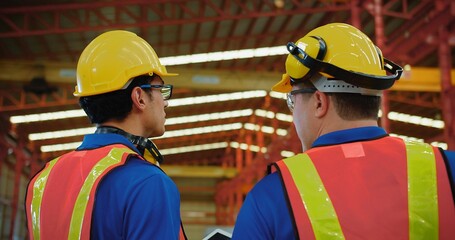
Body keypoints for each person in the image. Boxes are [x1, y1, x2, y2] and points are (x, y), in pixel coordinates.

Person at [232, 23, 455, 239]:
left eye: (293, 100)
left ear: (319, 102)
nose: (293, 113)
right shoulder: (446, 168)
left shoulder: (272, 196)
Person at [25, 30, 187, 239]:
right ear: (139, 97)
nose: (165, 102)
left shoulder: (43, 179)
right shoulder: (148, 183)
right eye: (160, 89)